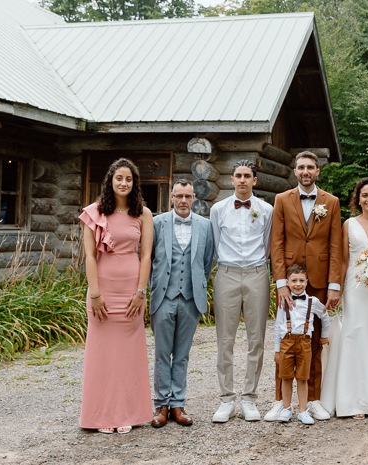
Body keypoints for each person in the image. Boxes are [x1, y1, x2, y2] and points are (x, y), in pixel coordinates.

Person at [78, 157, 153, 434]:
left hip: (131, 292)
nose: (124, 183)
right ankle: (100, 416)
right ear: (110, 181)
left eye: (129, 179)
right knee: (102, 355)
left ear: (135, 184)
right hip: (103, 291)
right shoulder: (94, 213)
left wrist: (141, 292)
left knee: (128, 357)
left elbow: (145, 256)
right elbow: (89, 255)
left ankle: (127, 413)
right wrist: (95, 294)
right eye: (119, 178)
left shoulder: (143, 214)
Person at [265, 151, 342, 422]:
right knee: (285, 340)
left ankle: (313, 399)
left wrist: (334, 285)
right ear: (295, 171)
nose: (306, 171)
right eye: (301, 167)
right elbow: (277, 243)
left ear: (317, 171)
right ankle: (280, 401)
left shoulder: (330, 202)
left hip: (320, 280)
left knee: (315, 342)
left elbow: (335, 245)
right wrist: (281, 283)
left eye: (310, 167)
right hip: (289, 280)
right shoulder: (282, 200)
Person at [321, 177, 368, 419]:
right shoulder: (349, 224)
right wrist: (338, 291)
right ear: (358, 199)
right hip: (355, 288)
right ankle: (351, 402)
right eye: (365, 195)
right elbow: (344, 260)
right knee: (354, 338)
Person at [210, 160, 273, 423]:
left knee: (256, 338)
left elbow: (268, 243)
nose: (243, 180)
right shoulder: (218, 209)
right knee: (225, 339)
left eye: (248, 176)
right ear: (232, 180)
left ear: (255, 181)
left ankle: (249, 397)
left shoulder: (267, 210)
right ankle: (226, 398)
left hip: (257, 273)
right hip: (227, 273)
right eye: (238, 176)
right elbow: (215, 242)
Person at [149, 179, 214, 428]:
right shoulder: (157, 223)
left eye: (188, 196)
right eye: (179, 196)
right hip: (163, 297)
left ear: (194, 198)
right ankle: (160, 405)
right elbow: (150, 256)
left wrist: (195, 287)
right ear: (172, 198)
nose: (183, 201)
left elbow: (206, 262)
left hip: (190, 298)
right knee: (162, 354)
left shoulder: (205, 226)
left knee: (183, 355)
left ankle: (178, 404)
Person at [273, 264, 331, 425]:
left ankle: (303, 410)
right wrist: (277, 350)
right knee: (285, 377)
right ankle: (286, 408)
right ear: (287, 283)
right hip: (286, 342)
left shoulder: (313, 301)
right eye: (294, 280)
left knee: (302, 377)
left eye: (301, 280)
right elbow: (278, 326)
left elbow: (325, 317)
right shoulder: (283, 301)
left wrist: (324, 336)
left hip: (305, 342)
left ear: (307, 282)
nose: (297, 284)